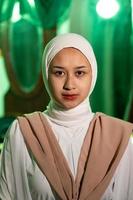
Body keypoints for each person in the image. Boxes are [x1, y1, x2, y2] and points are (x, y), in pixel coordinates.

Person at [0, 33, 133, 200]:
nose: (69, 85)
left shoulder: (117, 136)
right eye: (59, 73)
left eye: (79, 73)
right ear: (46, 74)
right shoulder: (23, 132)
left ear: (93, 74)